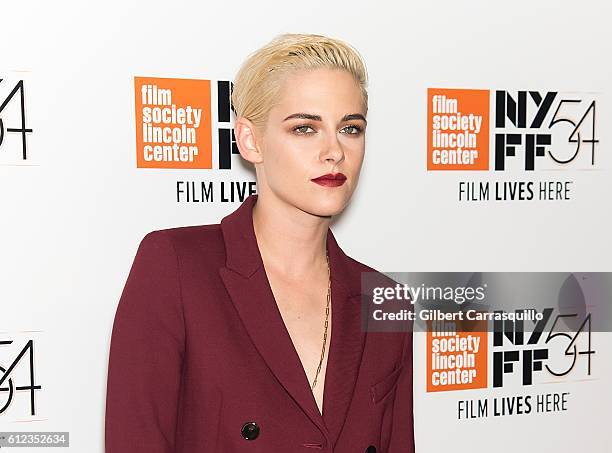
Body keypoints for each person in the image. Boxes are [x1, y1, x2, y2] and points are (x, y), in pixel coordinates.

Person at [105, 33, 414, 453]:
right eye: (305, 128)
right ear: (250, 140)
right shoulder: (175, 268)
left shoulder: (385, 300)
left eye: (350, 128)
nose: (334, 152)